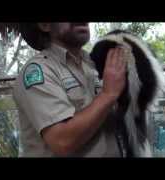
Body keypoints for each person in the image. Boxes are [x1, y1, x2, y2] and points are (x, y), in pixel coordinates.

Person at [13, 23, 127, 157]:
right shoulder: (39, 71)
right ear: (45, 25)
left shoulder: (93, 64)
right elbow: (62, 142)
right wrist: (108, 94)